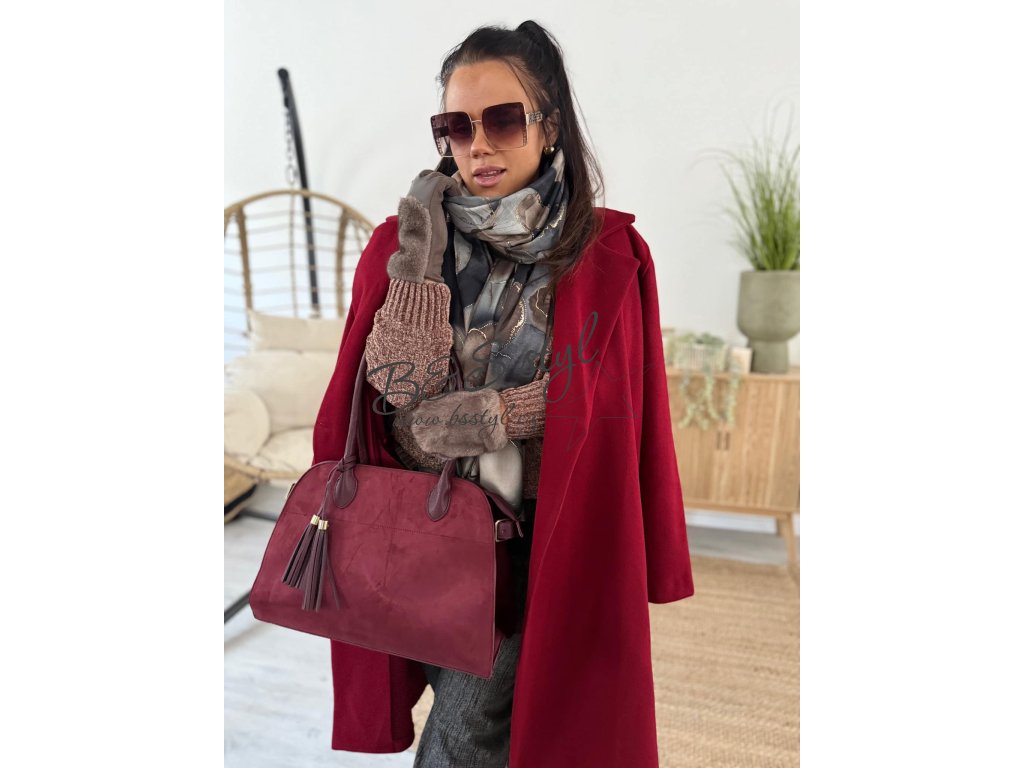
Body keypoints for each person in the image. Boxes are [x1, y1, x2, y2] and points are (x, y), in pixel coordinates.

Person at [311, 19, 694, 768]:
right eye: (456, 126)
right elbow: (400, 398)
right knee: (480, 729)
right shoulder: (400, 245)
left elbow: (633, 418)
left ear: (548, 126)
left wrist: (654, 547)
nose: (478, 144)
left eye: (504, 120)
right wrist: (420, 257)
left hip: (552, 539)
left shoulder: (610, 254)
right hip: (424, 532)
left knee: (506, 728)